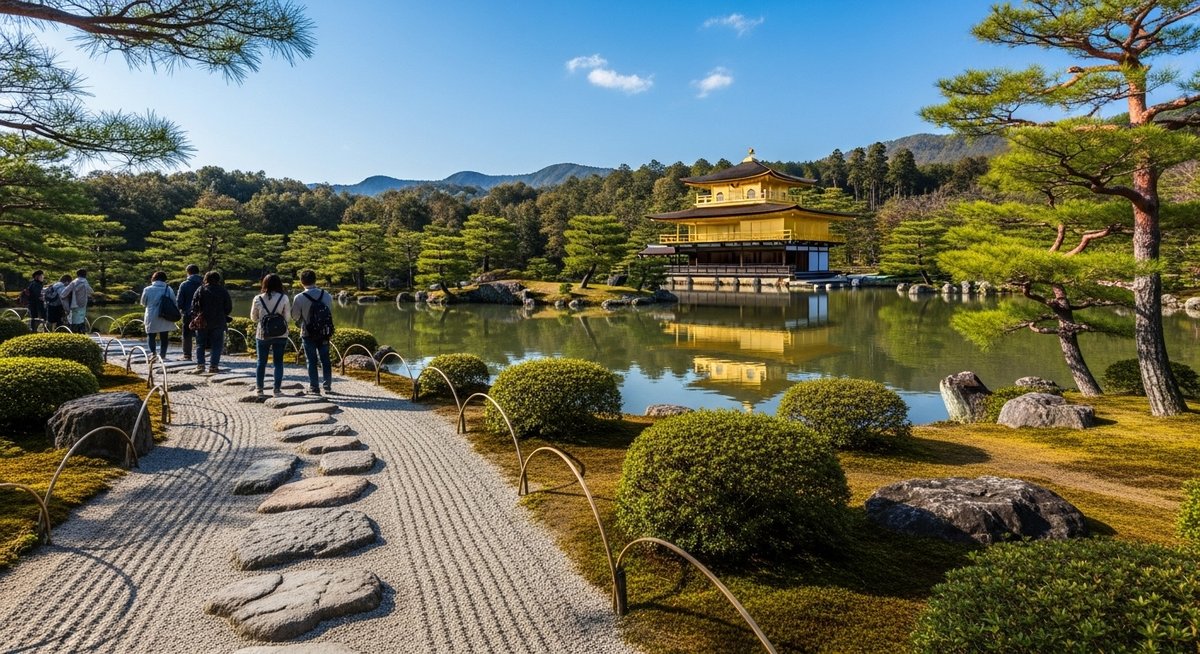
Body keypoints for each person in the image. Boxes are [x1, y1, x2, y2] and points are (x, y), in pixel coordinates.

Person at [290, 269, 334, 395]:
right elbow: (329, 312)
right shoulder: (326, 295)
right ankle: (327, 386)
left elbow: (295, 316)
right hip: (324, 332)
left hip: (307, 332)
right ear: (315, 280)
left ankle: (314, 387)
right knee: (325, 359)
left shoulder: (299, 297)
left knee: (311, 360)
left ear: (301, 282)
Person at [250, 273, 291, 396]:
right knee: (278, 362)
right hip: (280, 334)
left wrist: (263, 319)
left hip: (263, 334)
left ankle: (259, 389)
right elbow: (287, 318)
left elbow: (253, 318)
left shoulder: (258, 298)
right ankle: (277, 390)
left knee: (261, 362)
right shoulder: (284, 298)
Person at [191, 270, 233, 374]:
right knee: (217, 345)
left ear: (206, 279)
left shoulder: (200, 289)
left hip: (202, 321)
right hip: (218, 321)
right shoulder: (222, 291)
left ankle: (200, 365)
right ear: (218, 279)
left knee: (200, 344)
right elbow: (228, 307)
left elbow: (194, 306)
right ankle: (213, 366)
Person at [139, 271, 177, 360]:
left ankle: (153, 353)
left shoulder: (147, 289)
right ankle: (163, 355)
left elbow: (143, 303)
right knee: (164, 336)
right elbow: (174, 302)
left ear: (154, 278)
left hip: (151, 315)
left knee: (151, 335)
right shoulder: (168, 289)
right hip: (165, 315)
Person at [177, 264, 203, 362]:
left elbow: (179, 301)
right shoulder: (204, 283)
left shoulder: (184, 284)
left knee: (186, 334)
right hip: (202, 313)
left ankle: (187, 355)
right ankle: (201, 355)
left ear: (188, 272)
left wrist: (181, 310)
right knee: (201, 334)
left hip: (188, 313)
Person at [62, 269, 93, 333]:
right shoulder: (85, 282)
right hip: (83, 304)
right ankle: (82, 334)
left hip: (74, 304)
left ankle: (75, 334)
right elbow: (91, 292)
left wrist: (63, 297)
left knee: (75, 320)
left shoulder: (74, 282)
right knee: (81, 320)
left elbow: (64, 292)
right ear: (85, 275)